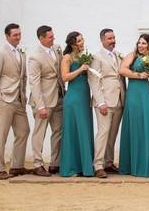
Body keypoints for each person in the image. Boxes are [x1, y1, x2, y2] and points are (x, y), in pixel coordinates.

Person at [0, 23, 30, 180]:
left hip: (18, 99)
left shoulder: (21, 52)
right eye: (15, 35)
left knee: (23, 131)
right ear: (7, 36)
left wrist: (23, 96)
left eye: (19, 34)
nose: (18, 37)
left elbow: (23, 77)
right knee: (1, 135)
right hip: (4, 99)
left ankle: (16, 166)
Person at [118, 34, 149, 177]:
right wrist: (138, 75)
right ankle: (134, 166)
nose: (141, 46)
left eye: (144, 43)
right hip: (136, 96)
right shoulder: (132, 56)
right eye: (139, 43)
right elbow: (122, 70)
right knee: (138, 126)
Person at [27, 25, 64, 177]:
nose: (53, 38)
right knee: (39, 132)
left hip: (59, 97)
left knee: (58, 131)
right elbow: (34, 83)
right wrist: (40, 106)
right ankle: (37, 163)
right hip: (43, 100)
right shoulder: (35, 57)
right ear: (41, 38)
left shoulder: (57, 48)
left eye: (53, 35)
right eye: (50, 37)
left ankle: (55, 163)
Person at [87, 28, 124, 178]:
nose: (112, 41)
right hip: (105, 101)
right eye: (109, 38)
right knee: (103, 133)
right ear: (102, 40)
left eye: (113, 38)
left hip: (119, 99)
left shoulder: (118, 55)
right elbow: (94, 81)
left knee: (113, 133)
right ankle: (98, 165)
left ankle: (108, 162)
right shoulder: (97, 57)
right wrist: (100, 102)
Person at [58, 31, 94, 177]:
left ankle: (84, 166)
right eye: (79, 41)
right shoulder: (67, 57)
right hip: (74, 98)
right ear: (73, 44)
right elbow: (65, 77)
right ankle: (71, 167)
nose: (82, 42)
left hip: (85, 97)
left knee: (84, 129)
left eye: (82, 39)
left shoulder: (82, 56)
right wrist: (80, 69)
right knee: (73, 130)